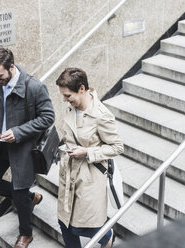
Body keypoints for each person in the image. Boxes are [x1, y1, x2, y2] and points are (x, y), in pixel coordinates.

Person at [0, 46, 55, 248]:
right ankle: (32, 198)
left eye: (0, 75)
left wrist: (18, 132)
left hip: (23, 147)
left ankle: (26, 234)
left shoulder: (35, 87)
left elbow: (48, 117)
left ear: (11, 67)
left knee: (19, 191)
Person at [55, 68, 124, 248]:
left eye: (67, 95)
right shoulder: (72, 106)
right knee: (65, 222)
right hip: (69, 172)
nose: (64, 100)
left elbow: (117, 147)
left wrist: (87, 152)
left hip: (89, 176)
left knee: (83, 225)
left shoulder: (102, 115)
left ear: (82, 89)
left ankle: (107, 237)